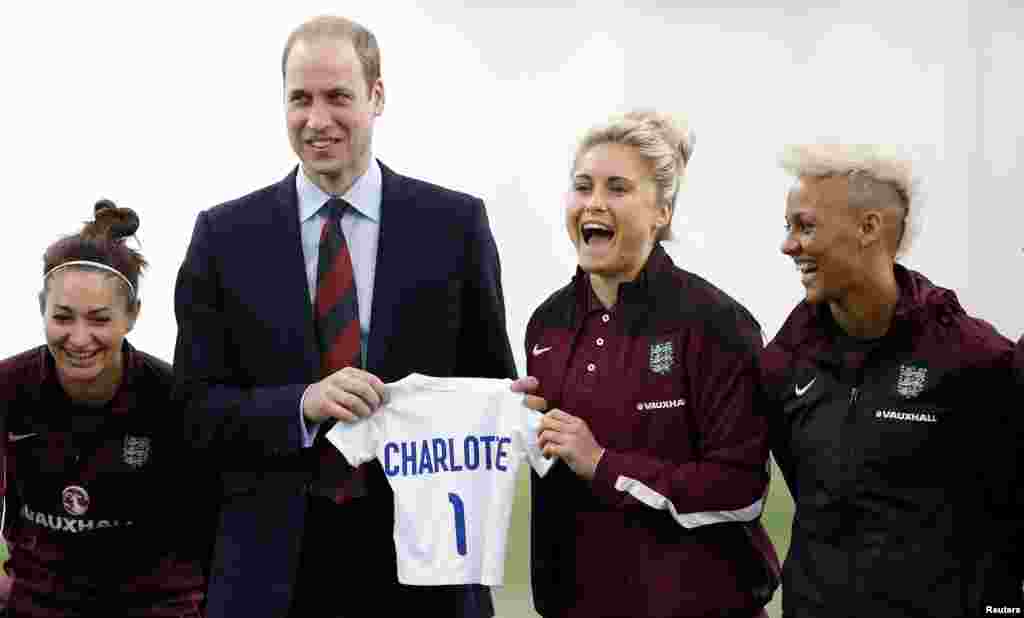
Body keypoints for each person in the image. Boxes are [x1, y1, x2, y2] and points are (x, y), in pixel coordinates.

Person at [172, 15, 515, 618]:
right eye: (300, 99)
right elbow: (194, 414)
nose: (317, 119)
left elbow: (487, 387)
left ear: (377, 97)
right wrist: (300, 404)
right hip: (273, 575)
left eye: (338, 97)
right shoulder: (224, 237)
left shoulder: (455, 226)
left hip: (422, 570)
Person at [512, 110, 780, 618]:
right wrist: (519, 428)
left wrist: (604, 464)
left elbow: (740, 490)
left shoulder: (715, 323)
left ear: (662, 212)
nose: (594, 203)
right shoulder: (546, 325)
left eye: (617, 189)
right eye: (582, 186)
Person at [763, 143, 1021, 617]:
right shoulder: (784, 361)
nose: (788, 244)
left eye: (806, 226)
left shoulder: (975, 359)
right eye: (788, 227)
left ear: (868, 228)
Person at [0, 200, 210, 617]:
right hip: (38, 601)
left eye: (99, 320)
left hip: (152, 604)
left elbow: (209, 526)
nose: (79, 338)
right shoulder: (9, 386)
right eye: (63, 317)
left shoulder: (174, 396)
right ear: (42, 309)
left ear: (132, 316)